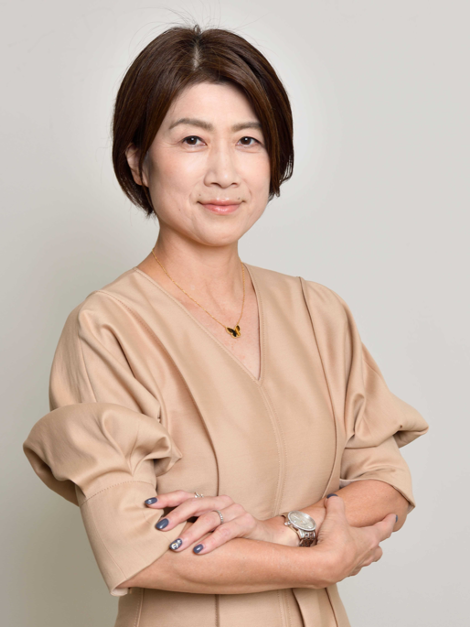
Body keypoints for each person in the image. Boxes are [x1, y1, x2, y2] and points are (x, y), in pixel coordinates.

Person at [22, 23, 429, 627]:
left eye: (248, 140)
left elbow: (387, 482)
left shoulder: (318, 312)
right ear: (138, 162)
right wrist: (320, 558)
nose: (224, 172)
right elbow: (138, 549)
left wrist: (279, 529)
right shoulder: (107, 329)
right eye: (192, 139)